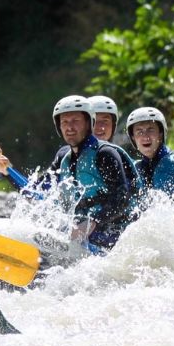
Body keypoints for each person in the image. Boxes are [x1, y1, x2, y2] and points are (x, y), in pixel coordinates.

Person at [48, 95, 132, 249]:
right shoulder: (64, 157)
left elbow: (122, 198)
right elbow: (39, 191)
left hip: (113, 232)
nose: (70, 127)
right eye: (65, 122)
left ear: (88, 124)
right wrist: (6, 171)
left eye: (75, 121)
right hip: (83, 231)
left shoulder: (105, 153)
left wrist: (92, 222)